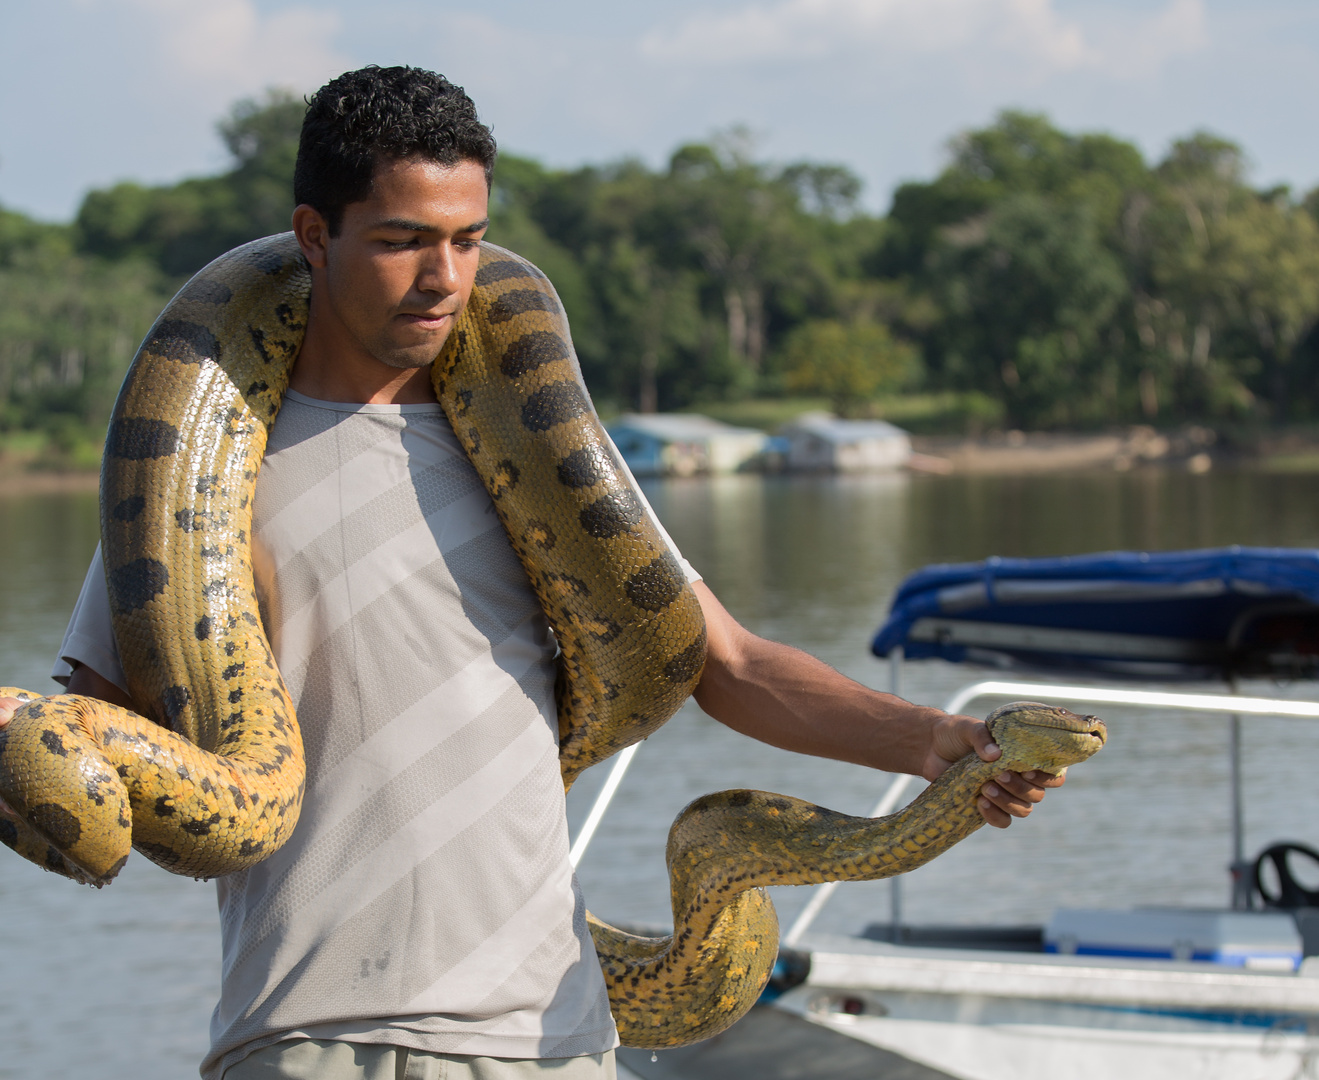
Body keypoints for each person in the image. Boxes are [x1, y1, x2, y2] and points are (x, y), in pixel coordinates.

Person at [0, 66, 1062, 1080]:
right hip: (315, 1032)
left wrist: (932, 742)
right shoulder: (202, 486)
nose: (443, 279)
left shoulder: (548, 465)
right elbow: (96, 727)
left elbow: (722, 663)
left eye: (468, 240)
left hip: (550, 1033)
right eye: (403, 240)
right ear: (313, 239)